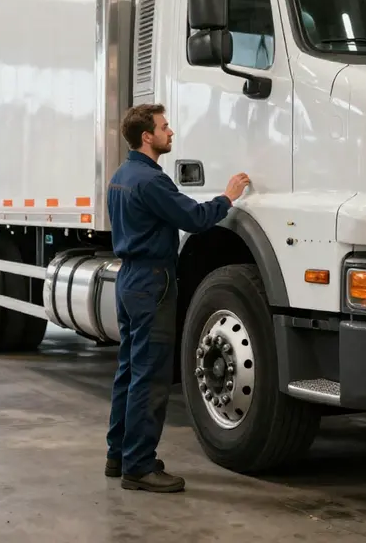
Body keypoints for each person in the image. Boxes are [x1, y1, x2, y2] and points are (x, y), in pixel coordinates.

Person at [104, 103, 250, 493]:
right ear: (146, 136)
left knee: (129, 371)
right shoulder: (152, 181)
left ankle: (118, 455)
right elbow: (196, 219)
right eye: (164, 127)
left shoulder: (121, 176)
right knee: (150, 377)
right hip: (153, 281)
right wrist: (228, 197)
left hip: (129, 280)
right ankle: (139, 466)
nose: (171, 133)